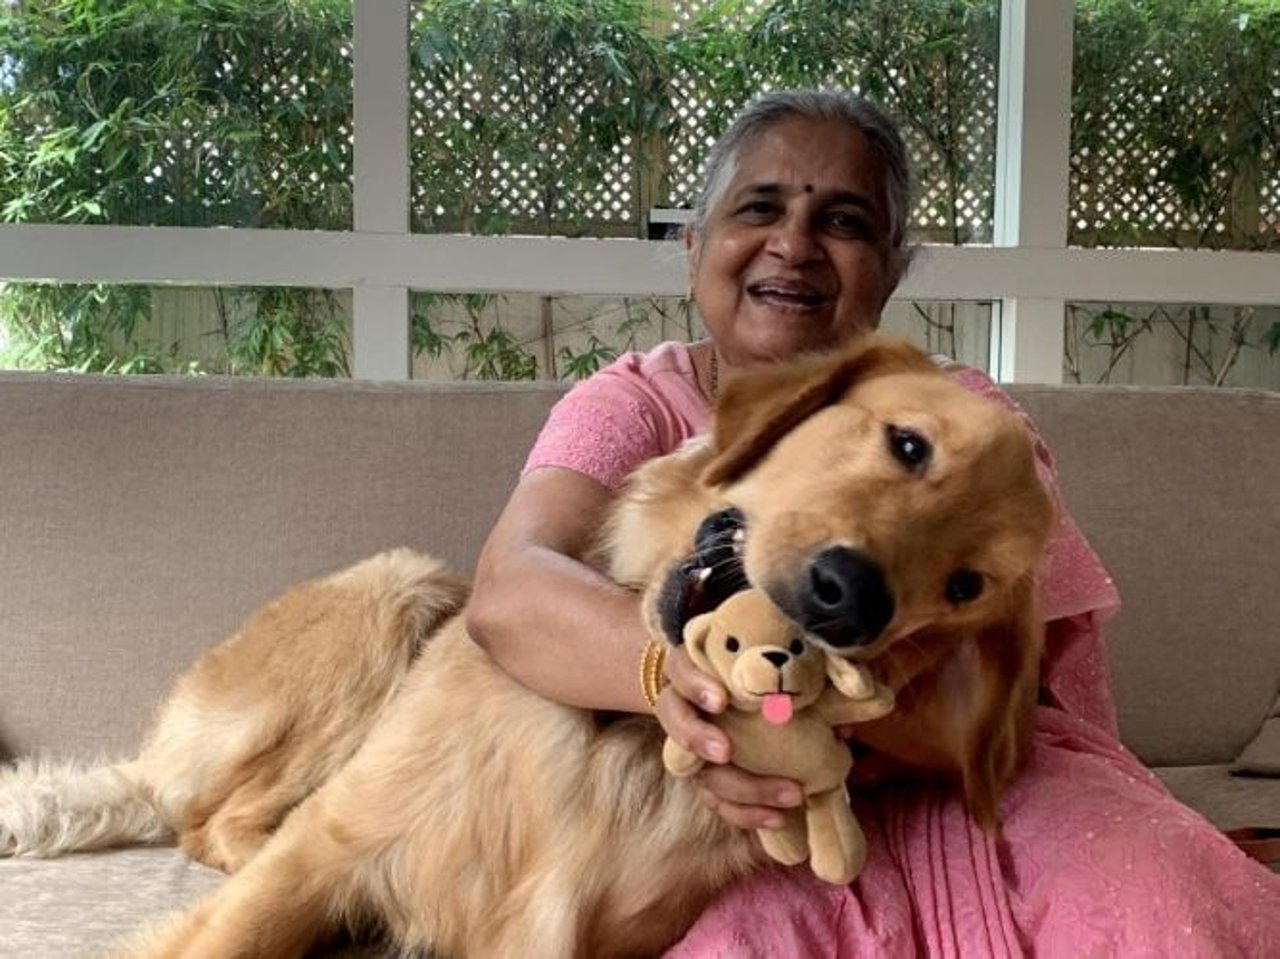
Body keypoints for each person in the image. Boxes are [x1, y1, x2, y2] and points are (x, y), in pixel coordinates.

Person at [466, 89, 1280, 956]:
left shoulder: (958, 415)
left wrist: (798, 717)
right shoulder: (631, 402)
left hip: (992, 793)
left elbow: (985, 700)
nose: (795, 243)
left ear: (892, 271)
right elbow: (510, 591)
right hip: (737, 820)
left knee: (1164, 905)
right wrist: (697, 689)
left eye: (846, 222)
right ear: (696, 245)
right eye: (760, 207)